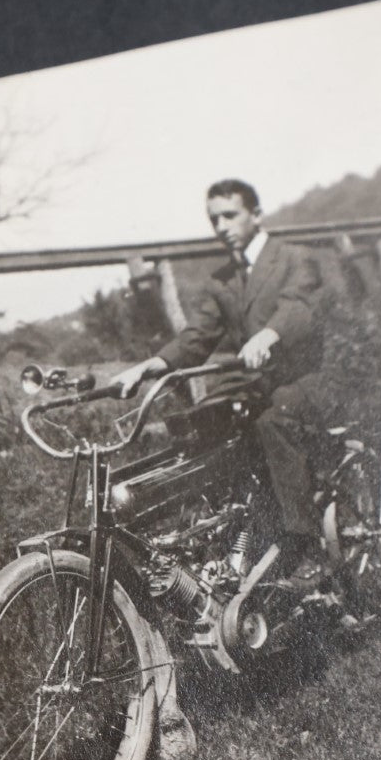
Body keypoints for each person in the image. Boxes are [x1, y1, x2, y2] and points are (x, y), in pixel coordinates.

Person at [112, 178, 330, 588]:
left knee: (271, 424)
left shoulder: (294, 258)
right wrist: (149, 367)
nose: (222, 226)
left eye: (230, 215)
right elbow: (196, 338)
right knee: (200, 423)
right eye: (214, 219)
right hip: (257, 384)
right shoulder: (221, 280)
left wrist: (270, 334)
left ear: (256, 214)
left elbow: (300, 308)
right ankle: (223, 537)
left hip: (306, 379)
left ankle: (307, 546)